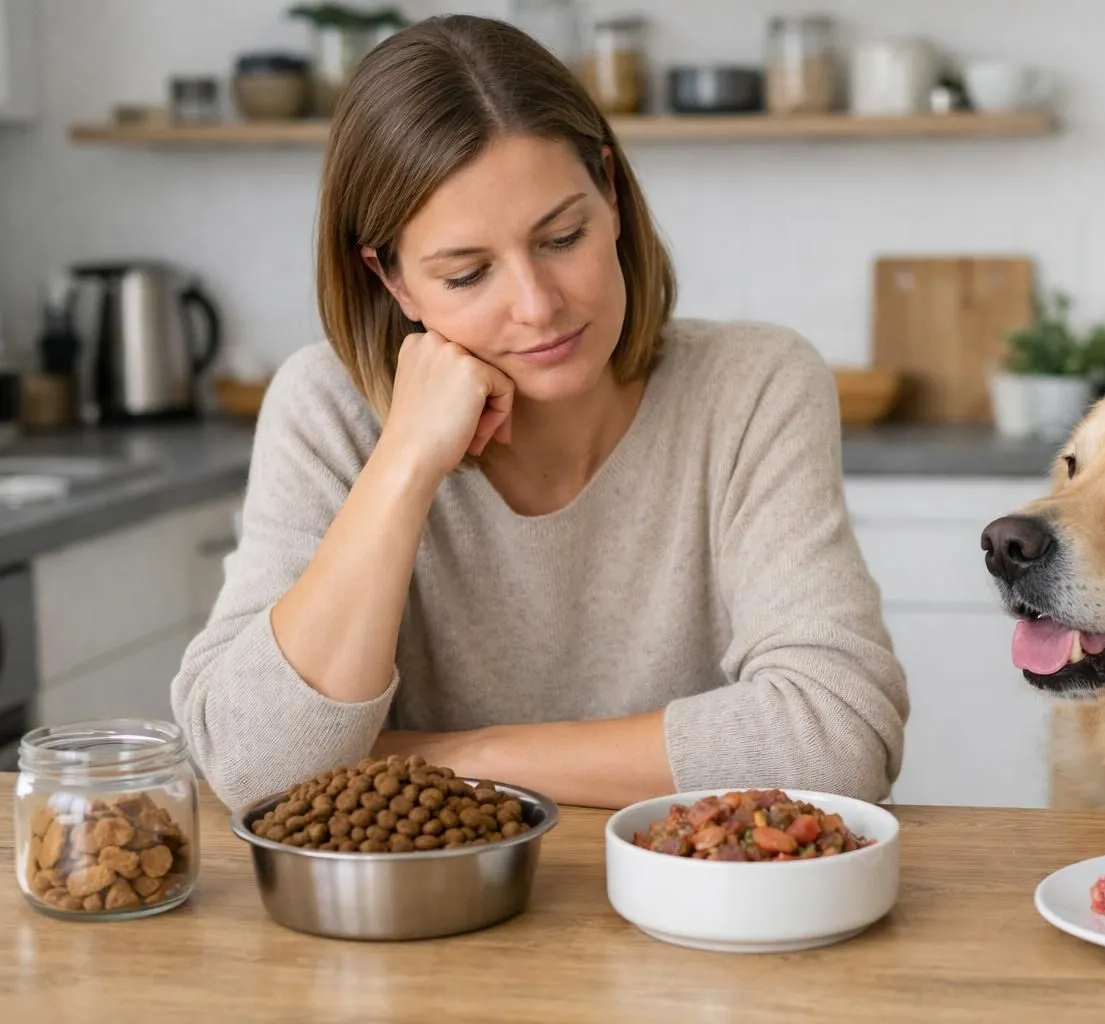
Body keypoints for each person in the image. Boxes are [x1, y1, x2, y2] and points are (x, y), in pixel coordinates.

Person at [170, 14, 909, 812]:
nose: (537, 305)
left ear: (611, 192)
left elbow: (838, 740)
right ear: (393, 282)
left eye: (562, 237)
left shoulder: (752, 385)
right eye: (466, 274)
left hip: (694, 912)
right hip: (413, 927)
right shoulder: (326, 408)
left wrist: (447, 760)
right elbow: (249, 767)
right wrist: (406, 463)